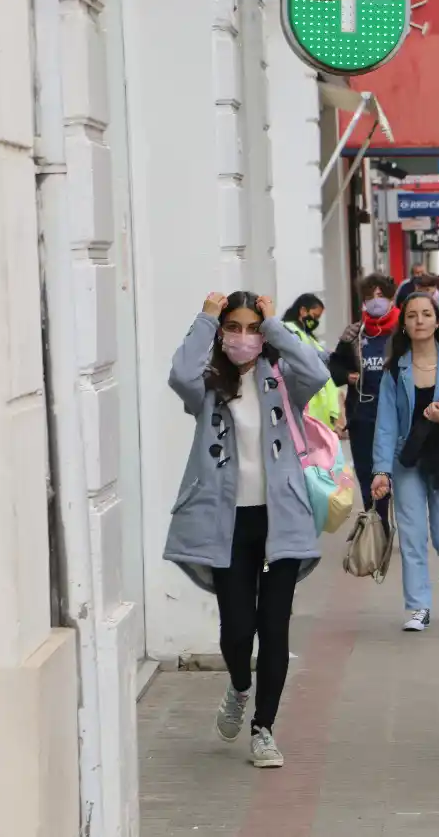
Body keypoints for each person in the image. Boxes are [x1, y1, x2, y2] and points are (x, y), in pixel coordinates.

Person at [164, 291, 331, 769]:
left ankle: (264, 729)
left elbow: (318, 372)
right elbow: (179, 374)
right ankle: (239, 686)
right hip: (228, 520)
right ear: (222, 333)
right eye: (233, 328)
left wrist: (275, 324)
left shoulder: (281, 380)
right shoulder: (208, 384)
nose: (243, 337)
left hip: (280, 518)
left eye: (251, 328)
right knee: (238, 629)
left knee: (273, 629)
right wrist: (205, 317)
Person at [368, 292, 439, 632]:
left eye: (427, 314)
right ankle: (417, 607)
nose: (420, 321)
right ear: (404, 324)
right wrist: (381, 469)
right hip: (406, 459)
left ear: (438, 321)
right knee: (412, 536)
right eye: (412, 316)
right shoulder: (395, 371)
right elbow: (385, 424)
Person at [327, 275, 398, 530]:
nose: (376, 302)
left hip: (397, 415)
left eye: (381, 296)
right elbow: (334, 365)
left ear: (391, 298)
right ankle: (377, 523)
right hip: (363, 415)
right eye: (370, 297)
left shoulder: (403, 330)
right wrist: (348, 376)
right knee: (367, 470)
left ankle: (403, 520)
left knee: (396, 471)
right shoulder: (354, 334)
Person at [281, 293, 343, 431]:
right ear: (303, 311)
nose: (315, 321)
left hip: (319, 410)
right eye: (314, 316)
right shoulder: (289, 332)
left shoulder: (308, 336)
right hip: (307, 408)